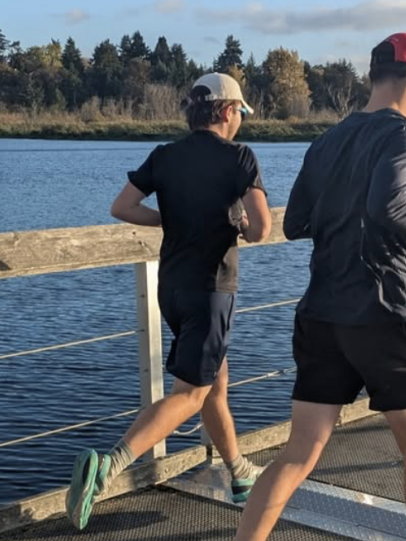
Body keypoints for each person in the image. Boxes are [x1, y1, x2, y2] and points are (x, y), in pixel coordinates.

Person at [233, 33, 406, 541]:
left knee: (299, 452)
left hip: (321, 313)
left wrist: (343, 210)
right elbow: (389, 205)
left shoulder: (327, 141)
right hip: (384, 312)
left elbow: (295, 222)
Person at [66, 72, 273, 530]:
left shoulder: (165, 155)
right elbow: (261, 229)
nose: (240, 120)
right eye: (240, 111)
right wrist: (239, 225)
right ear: (227, 111)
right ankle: (108, 467)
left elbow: (121, 207)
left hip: (172, 287)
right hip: (211, 289)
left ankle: (239, 472)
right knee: (191, 393)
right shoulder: (238, 156)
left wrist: (169, 218)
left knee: (214, 381)